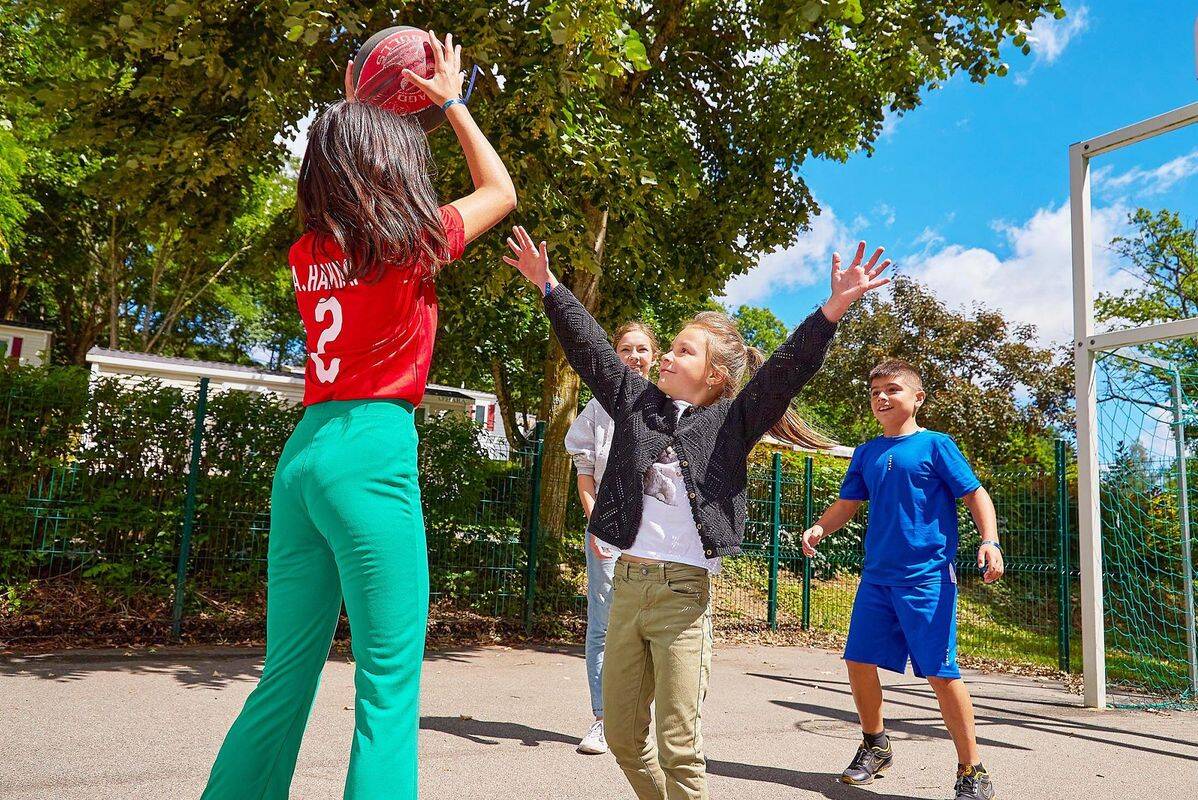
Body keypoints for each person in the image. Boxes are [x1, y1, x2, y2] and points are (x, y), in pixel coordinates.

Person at [200, 31, 516, 800]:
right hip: (373, 448)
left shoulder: (308, 250)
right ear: (397, 157)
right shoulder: (413, 241)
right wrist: (451, 102)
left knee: (284, 679)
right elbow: (502, 193)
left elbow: (348, 158)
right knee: (385, 688)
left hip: (303, 454)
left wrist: (357, 95)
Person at [503, 225, 889, 800]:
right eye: (669, 346)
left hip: (685, 597)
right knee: (625, 740)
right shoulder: (637, 403)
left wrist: (833, 308)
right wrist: (549, 285)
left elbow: (785, 371)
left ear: (715, 375)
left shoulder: (733, 423)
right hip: (629, 585)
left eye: (683, 350)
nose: (665, 355)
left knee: (678, 745)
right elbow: (589, 349)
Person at [801, 358, 1005, 800]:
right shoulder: (867, 452)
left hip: (928, 579)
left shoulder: (936, 445)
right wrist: (820, 526)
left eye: (892, 389)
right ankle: (876, 745)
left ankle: (972, 770)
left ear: (917, 398)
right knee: (858, 661)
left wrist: (990, 540)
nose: (881, 397)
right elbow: (847, 502)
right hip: (877, 579)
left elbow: (975, 494)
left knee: (940, 672)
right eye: (875, 391)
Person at [565, 322, 659, 755]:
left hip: (658, 539)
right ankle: (603, 718)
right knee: (603, 627)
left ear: (654, 356)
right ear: (614, 356)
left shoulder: (671, 405)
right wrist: (599, 528)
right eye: (625, 349)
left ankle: (644, 715)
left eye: (642, 349)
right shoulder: (598, 409)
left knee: (656, 629)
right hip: (607, 535)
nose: (634, 356)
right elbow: (586, 476)